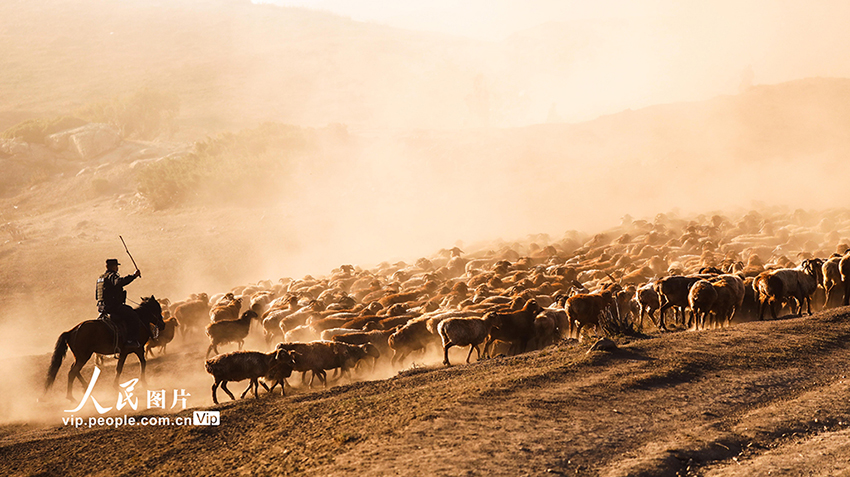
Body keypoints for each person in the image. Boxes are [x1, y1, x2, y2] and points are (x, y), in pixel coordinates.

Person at [96, 258, 142, 348]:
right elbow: (119, 282)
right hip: (113, 307)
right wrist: (134, 276)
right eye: (116, 266)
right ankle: (131, 340)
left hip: (101, 307)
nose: (117, 268)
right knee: (133, 315)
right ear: (114, 267)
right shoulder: (112, 276)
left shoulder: (101, 278)